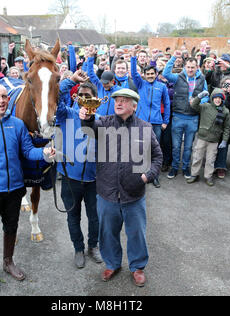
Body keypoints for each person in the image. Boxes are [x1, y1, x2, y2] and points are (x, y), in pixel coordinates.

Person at [0, 84, 55, 293]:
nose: (2, 100)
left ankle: (8, 262)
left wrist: (43, 154)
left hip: (15, 188)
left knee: (11, 227)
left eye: (5, 96)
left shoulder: (18, 125)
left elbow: (27, 151)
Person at [80, 88, 162, 288]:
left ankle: (138, 267)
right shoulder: (105, 123)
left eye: (125, 101)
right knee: (107, 233)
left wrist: (146, 176)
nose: (119, 103)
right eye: (117, 100)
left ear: (134, 106)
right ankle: (112, 263)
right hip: (107, 193)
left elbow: (158, 156)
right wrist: (86, 117)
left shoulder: (144, 127)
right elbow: (89, 127)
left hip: (134, 194)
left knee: (136, 233)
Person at [57, 71, 103, 269]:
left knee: (95, 217)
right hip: (70, 178)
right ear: (76, 98)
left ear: (95, 99)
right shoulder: (65, 113)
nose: (85, 99)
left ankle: (93, 246)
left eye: (89, 96)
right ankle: (78, 248)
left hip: (94, 179)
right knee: (73, 216)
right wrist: (70, 81)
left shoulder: (101, 118)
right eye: (81, 95)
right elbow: (55, 95)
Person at [163, 51, 209, 180]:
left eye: (192, 67)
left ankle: (185, 168)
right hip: (178, 116)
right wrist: (173, 57)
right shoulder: (179, 77)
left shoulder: (202, 79)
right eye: (188, 67)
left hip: (193, 118)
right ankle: (174, 167)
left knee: (188, 147)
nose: (190, 69)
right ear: (184, 67)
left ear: (196, 68)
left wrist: (198, 102)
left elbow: (206, 95)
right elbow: (165, 74)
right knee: (176, 146)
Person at [131, 45, 170, 187]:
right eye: (147, 74)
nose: (150, 76)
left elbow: (166, 104)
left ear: (156, 74)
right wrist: (134, 56)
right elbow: (134, 74)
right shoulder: (140, 84)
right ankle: (139, 174)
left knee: (155, 150)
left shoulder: (162, 87)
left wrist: (165, 121)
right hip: (141, 121)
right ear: (145, 75)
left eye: (152, 74)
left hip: (156, 123)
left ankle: (154, 175)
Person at [187, 89, 230, 186]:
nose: (217, 100)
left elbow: (227, 127)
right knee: (197, 157)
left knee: (211, 160)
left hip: (214, 140)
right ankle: (194, 174)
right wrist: (199, 97)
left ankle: (208, 176)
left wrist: (224, 140)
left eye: (220, 98)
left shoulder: (225, 111)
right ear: (212, 98)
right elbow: (194, 105)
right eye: (216, 98)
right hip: (202, 137)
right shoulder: (205, 106)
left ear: (222, 100)